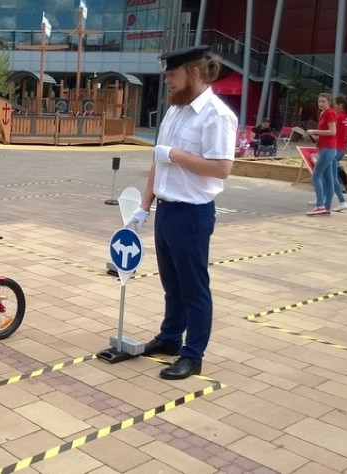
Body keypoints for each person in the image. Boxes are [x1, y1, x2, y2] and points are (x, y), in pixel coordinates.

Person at [125, 45, 237, 380]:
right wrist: (144, 207)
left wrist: (175, 154)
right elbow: (157, 161)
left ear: (194, 73)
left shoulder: (216, 115)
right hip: (166, 209)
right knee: (171, 284)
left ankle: (193, 354)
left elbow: (222, 168)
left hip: (192, 213)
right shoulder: (175, 109)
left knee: (194, 287)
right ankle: (171, 338)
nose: (167, 81)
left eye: (172, 75)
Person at [305, 93, 337, 215]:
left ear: (329, 102)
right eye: (319, 101)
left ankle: (320, 205)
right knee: (328, 179)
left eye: (323, 101)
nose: (321, 104)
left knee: (316, 176)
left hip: (327, 149)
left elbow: (332, 131)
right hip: (326, 148)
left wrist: (314, 131)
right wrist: (313, 136)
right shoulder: (324, 114)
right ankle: (326, 206)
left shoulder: (329, 113)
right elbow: (326, 134)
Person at [332, 95, 347, 206]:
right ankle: (344, 187)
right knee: (335, 167)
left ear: (340, 105)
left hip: (335, 147)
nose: (334, 106)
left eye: (335, 104)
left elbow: (332, 132)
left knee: (331, 171)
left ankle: (340, 193)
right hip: (343, 148)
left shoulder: (338, 116)